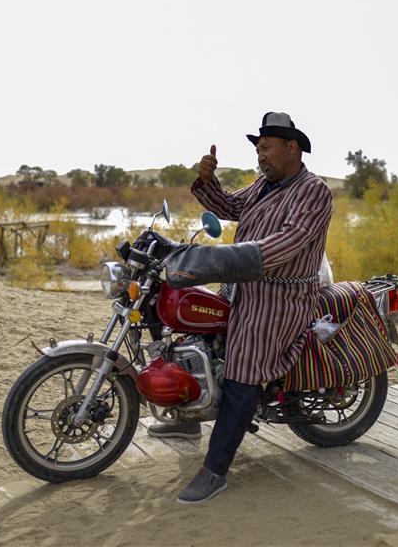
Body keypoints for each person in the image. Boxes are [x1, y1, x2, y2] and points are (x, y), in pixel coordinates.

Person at [149, 112, 333, 504]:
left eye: (266, 148)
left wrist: (216, 259)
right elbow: (230, 205)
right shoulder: (266, 184)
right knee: (190, 332)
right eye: (258, 149)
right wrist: (208, 180)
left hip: (280, 298)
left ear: (291, 148)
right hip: (241, 285)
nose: (259, 155)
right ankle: (189, 419)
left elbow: (287, 243)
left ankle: (214, 470)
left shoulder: (314, 192)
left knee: (244, 367)